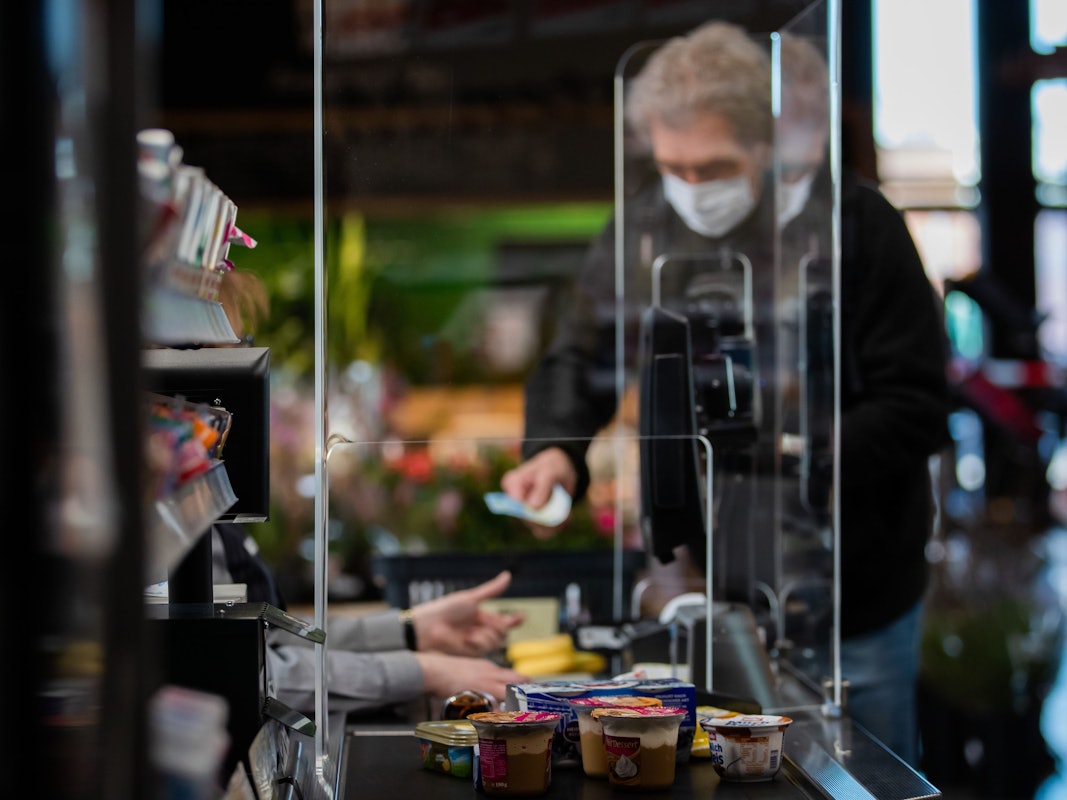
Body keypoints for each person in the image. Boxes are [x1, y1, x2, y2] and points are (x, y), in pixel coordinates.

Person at [500, 20, 951, 769]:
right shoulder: (640, 228)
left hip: (853, 597)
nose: (692, 189)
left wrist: (796, 455)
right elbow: (579, 355)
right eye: (674, 167)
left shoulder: (856, 230)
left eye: (713, 167)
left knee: (859, 772)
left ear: (767, 147)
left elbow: (915, 405)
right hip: (706, 590)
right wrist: (554, 449)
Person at [211, 270, 529, 717]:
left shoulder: (204, 493)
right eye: (230, 349)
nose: (240, 376)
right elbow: (255, 673)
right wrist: (421, 670)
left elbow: (274, 638)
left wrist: (414, 631)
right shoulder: (172, 510)